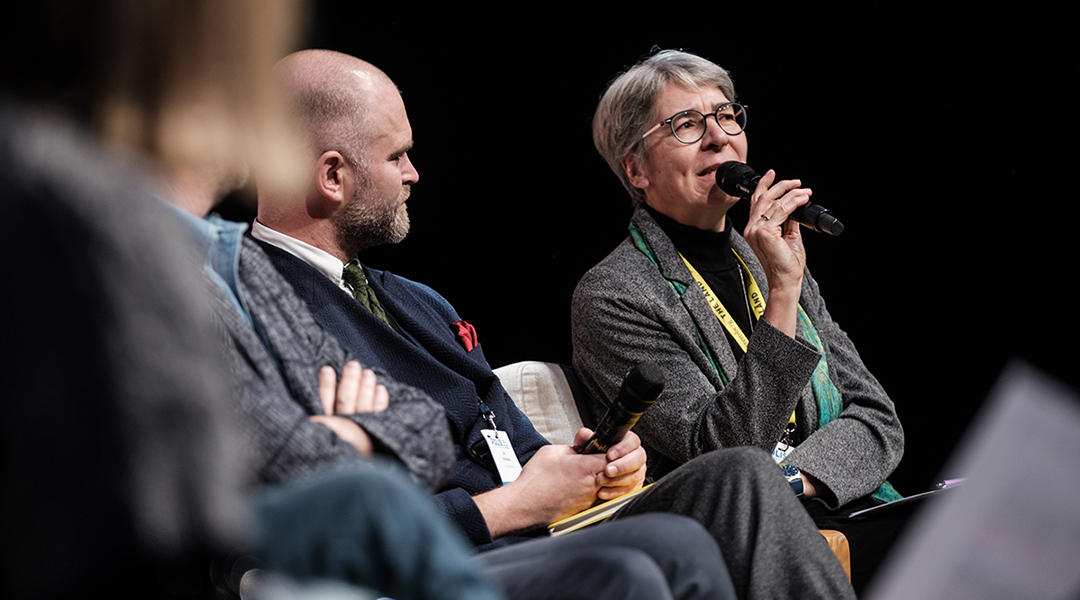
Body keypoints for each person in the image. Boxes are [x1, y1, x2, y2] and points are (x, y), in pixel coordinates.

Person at [252, 48, 855, 600]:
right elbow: (296, 535)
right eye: (397, 156)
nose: (413, 174)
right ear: (333, 176)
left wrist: (592, 465)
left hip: (540, 531)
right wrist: (512, 505)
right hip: (446, 558)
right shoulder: (250, 316)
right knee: (655, 556)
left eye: (726, 118)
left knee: (738, 477)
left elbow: (515, 444)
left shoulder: (420, 303)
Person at [571, 48, 906, 593]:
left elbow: (877, 418)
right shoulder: (613, 295)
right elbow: (723, 452)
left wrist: (796, 481)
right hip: (742, 538)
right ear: (636, 169)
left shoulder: (765, 256)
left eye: (727, 116)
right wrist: (782, 293)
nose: (719, 137)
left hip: (840, 501)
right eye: (685, 124)